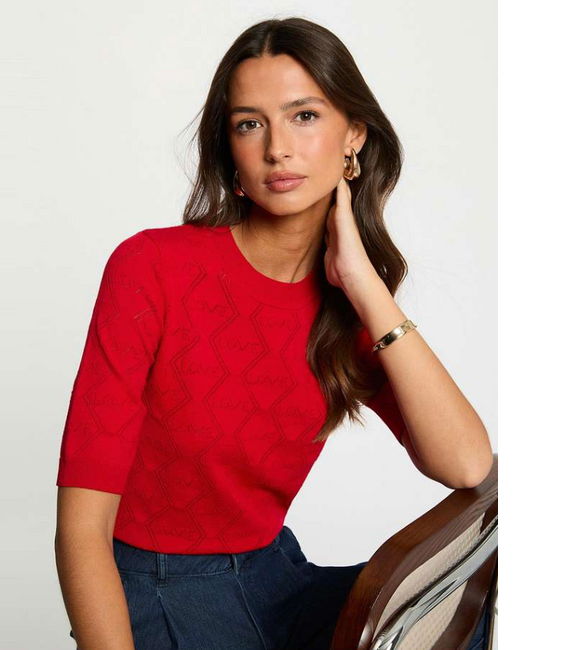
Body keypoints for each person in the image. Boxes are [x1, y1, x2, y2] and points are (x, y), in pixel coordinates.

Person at [54, 17, 494, 650]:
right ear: (229, 145)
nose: (277, 148)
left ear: (354, 135)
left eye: (303, 116)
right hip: (160, 591)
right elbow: (81, 530)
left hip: (276, 576)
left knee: (451, 615)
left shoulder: (346, 308)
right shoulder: (151, 267)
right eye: (249, 124)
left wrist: (364, 286)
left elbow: (469, 463)